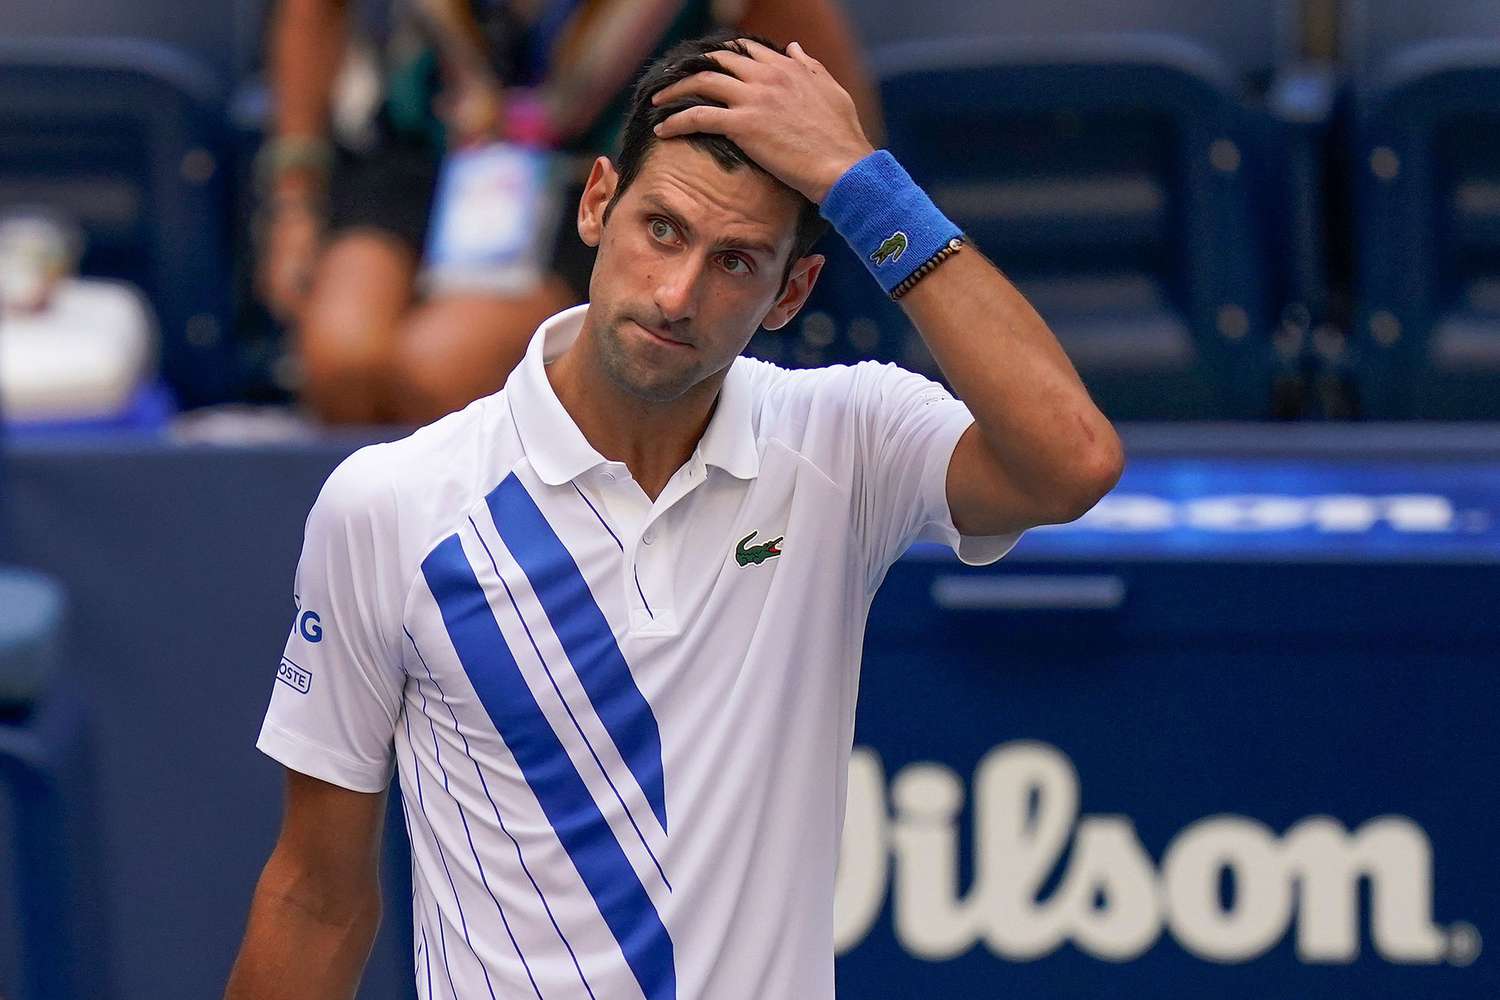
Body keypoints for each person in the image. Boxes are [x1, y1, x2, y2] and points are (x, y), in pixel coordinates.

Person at [226, 31, 1124, 999]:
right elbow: (317, 900)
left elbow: (1069, 458)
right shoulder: (391, 507)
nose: (677, 292)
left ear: (793, 291)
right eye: (662, 229)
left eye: (736, 262)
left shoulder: (845, 443)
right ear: (597, 200)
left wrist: (866, 184)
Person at [256, 0, 884, 425]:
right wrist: (295, 201)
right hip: (421, 150)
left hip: (606, 174)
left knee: (437, 372)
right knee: (340, 360)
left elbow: (832, 113)